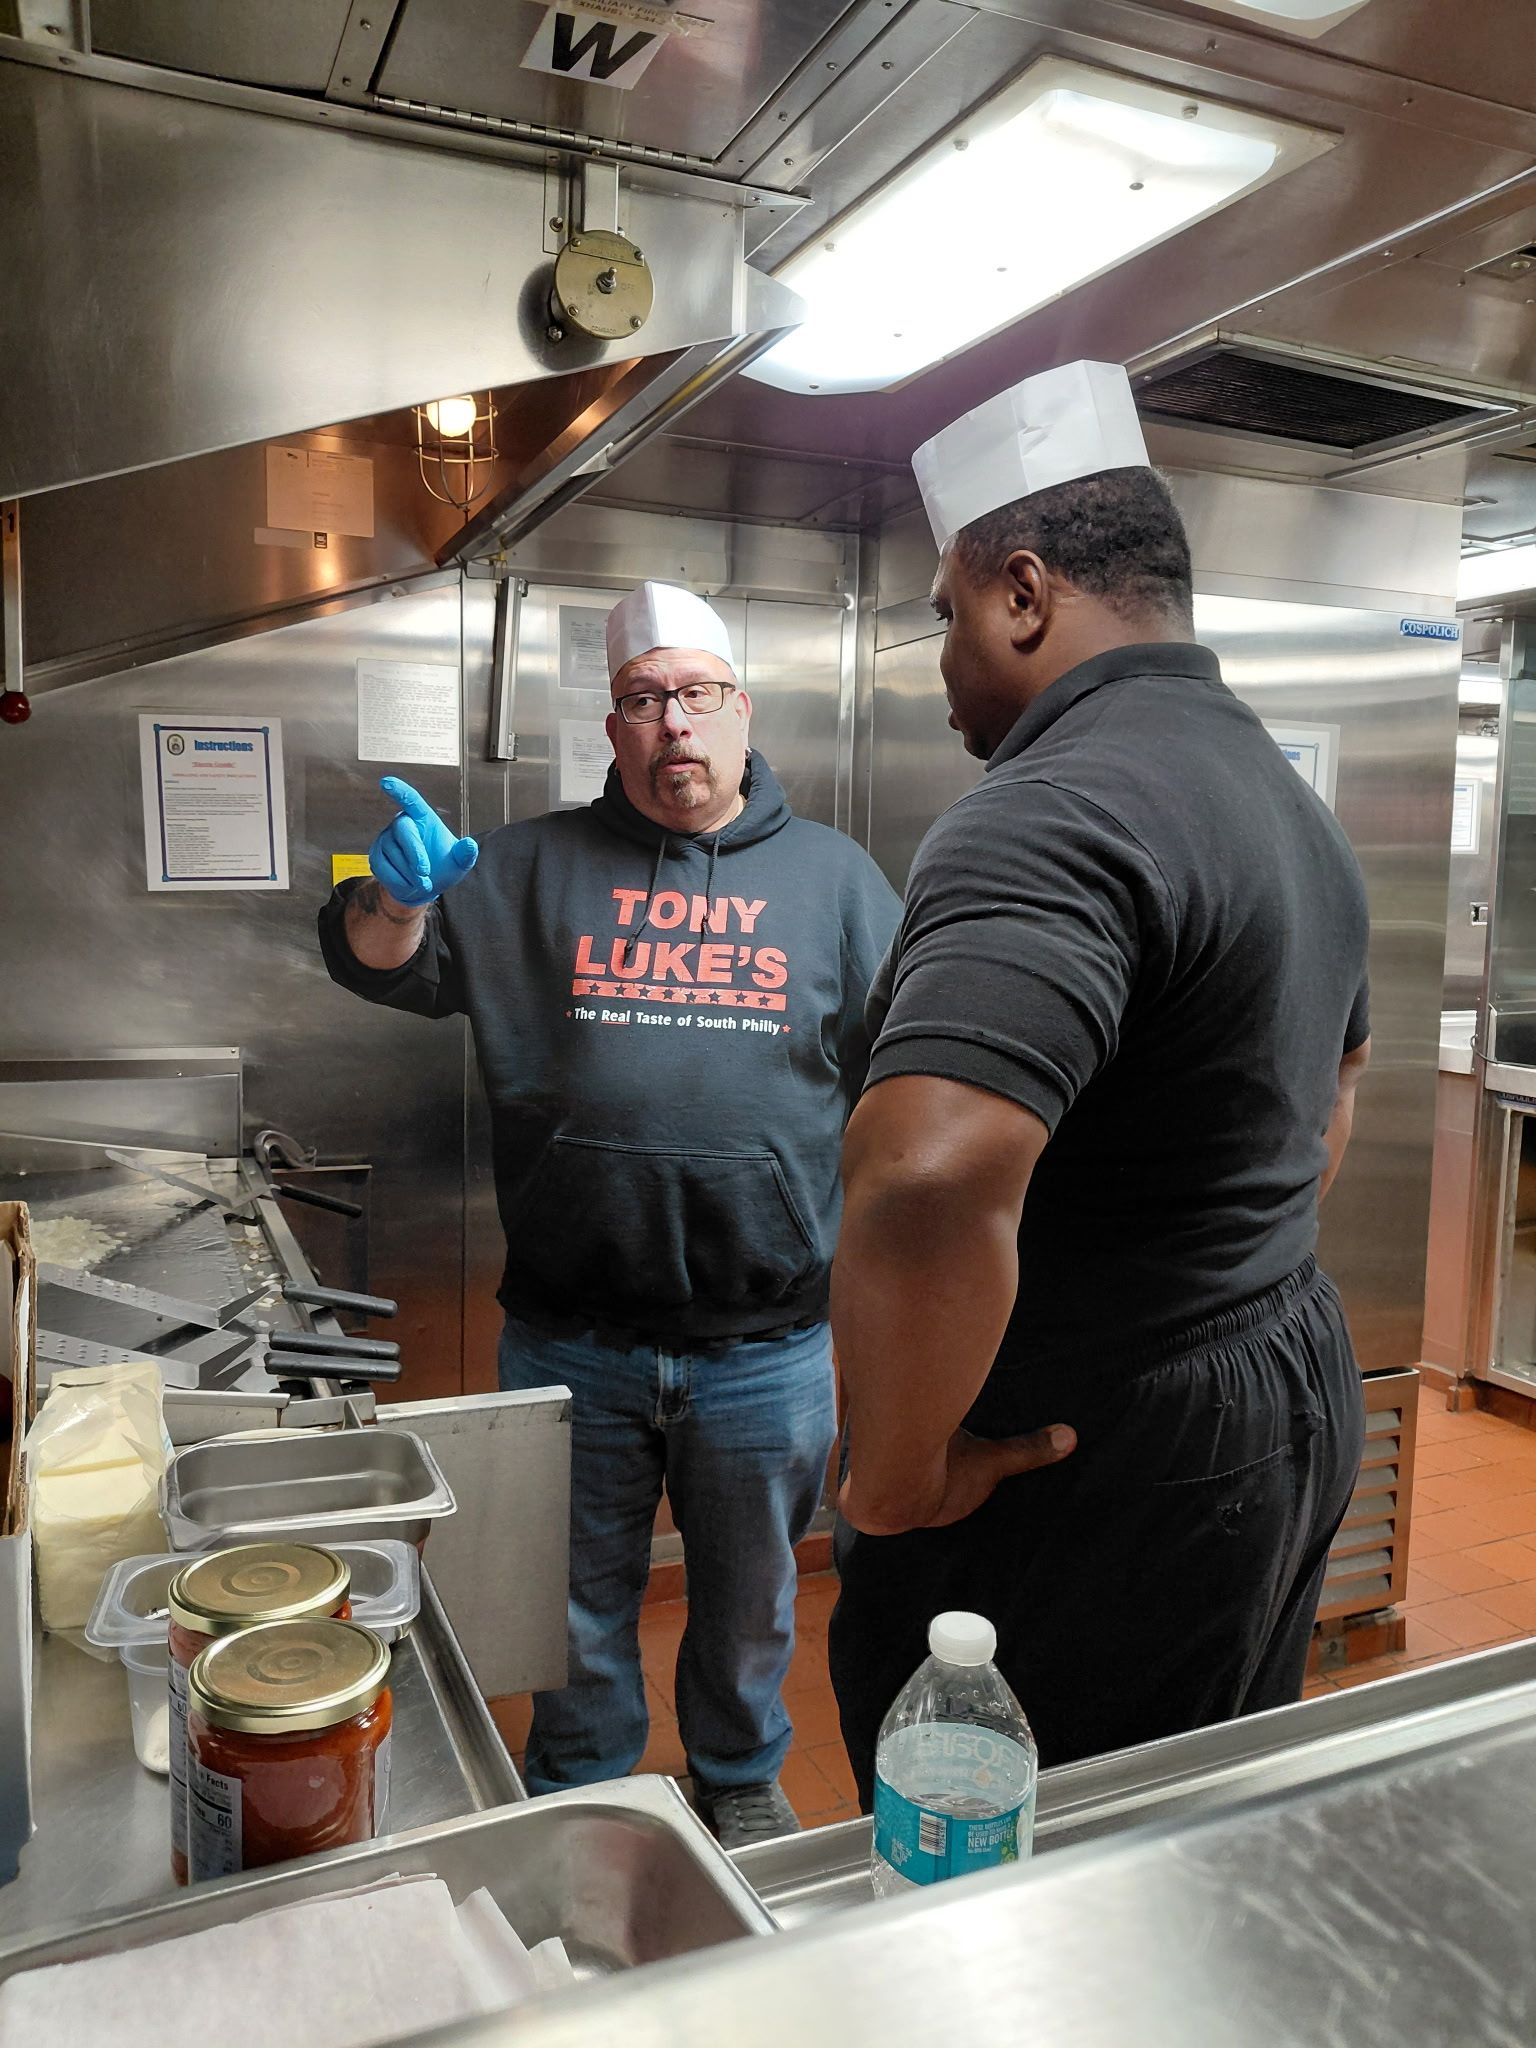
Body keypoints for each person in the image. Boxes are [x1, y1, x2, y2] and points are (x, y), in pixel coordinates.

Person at [827, 361, 1371, 1803]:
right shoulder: (1285, 800)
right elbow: (1332, 1095)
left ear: (1022, 593)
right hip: (1282, 1387)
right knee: (1189, 1815)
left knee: (1001, 1847)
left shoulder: (1050, 804)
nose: (944, 662)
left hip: (1092, 1455)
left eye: (946, 617)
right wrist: (1203, 1256)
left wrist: (898, 1473)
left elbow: (928, 1172)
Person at [319, 580, 899, 1847]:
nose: (673, 721)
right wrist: (395, 898)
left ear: (742, 710)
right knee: (575, 1602)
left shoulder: (838, 881)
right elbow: (370, 958)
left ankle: (738, 1772)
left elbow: (901, 1078)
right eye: (643, 699)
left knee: (752, 1598)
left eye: (697, 693)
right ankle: (581, 1782)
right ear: (612, 726)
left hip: (767, 1343)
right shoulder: (525, 868)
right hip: (571, 1338)